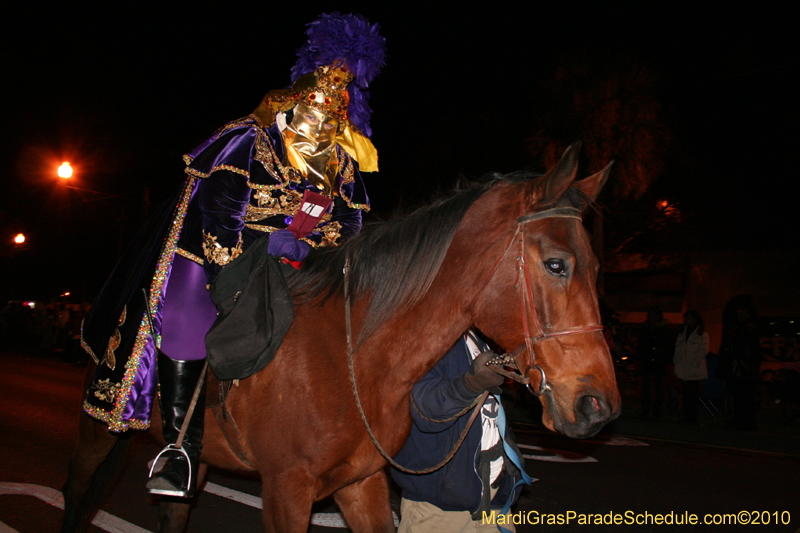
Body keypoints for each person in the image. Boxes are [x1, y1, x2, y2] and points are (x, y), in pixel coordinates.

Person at [79, 13, 386, 498]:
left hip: (292, 265)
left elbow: (350, 224)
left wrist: (312, 246)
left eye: (335, 114)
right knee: (187, 322)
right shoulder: (249, 141)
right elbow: (219, 221)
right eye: (317, 107)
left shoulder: (342, 164)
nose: (324, 120)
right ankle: (178, 450)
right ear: (294, 101)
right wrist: (268, 244)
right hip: (209, 260)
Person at [391, 332, 531, 533]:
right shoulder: (423, 337)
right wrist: (469, 384)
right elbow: (424, 410)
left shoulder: (477, 340)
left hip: (493, 500)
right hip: (440, 509)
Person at [717, 295, 761, 430]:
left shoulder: (750, 327)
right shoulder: (741, 327)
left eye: (742, 312)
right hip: (738, 367)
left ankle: (747, 422)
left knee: (745, 396)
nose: (739, 314)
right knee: (737, 395)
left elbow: (743, 346)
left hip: (744, 368)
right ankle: (739, 418)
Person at [673, 310, 709, 423]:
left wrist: (694, 362)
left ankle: (692, 417)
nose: (686, 321)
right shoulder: (683, 332)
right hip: (684, 368)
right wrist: (677, 361)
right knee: (686, 394)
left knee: (693, 394)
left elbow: (703, 350)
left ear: (695, 319)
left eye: (688, 318)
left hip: (694, 369)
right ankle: (687, 416)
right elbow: (678, 347)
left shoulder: (702, 334)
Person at [636, 306, 672, 419]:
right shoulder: (646, 329)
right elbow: (641, 344)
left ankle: (657, 411)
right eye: (649, 315)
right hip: (647, 361)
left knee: (658, 387)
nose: (650, 318)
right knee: (645, 387)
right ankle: (645, 409)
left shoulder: (664, 330)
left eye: (652, 315)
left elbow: (667, 346)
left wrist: (664, 360)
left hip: (658, 361)